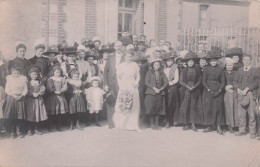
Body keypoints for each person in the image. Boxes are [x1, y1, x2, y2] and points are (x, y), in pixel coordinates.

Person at [113, 50, 141, 132]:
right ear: (124, 56)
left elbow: (138, 76)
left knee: (134, 105)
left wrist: (136, 83)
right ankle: (122, 124)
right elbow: (119, 77)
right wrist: (121, 86)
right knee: (123, 104)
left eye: (130, 56)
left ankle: (134, 125)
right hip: (124, 85)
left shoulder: (135, 65)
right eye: (127, 56)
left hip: (133, 85)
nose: (129, 58)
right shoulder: (120, 66)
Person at [233, 54, 259, 139]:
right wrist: (238, 89)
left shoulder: (255, 70)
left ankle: (252, 132)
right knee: (241, 113)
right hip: (240, 93)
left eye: (248, 60)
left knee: (251, 113)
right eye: (244, 60)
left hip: (250, 93)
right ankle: (242, 130)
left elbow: (256, 82)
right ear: (242, 61)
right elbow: (235, 81)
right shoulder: (239, 70)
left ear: (250, 60)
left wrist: (247, 89)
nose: (246, 61)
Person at [202, 51, 225, 135]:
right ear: (209, 61)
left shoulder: (220, 69)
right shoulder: (206, 69)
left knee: (218, 108)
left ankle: (219, 126)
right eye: (212, 61)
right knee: (208, 108)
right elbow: (203, 81)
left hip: (218, 90)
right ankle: (209, 125)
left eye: (215, 60)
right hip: (208, 90)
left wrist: (219, 90)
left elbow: (223, 81)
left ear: (217, 61)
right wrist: (208, 90)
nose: (213, 62)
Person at [179, 52, 203, 131]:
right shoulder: (184, 70)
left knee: (193, 107)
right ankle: (186, 124)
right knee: (185, 106)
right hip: (186, 90)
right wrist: (187, 86)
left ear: (194, 62)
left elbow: (200, 80)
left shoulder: (198, 70)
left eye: (192, 61)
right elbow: (180, 81)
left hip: (195, 90)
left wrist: (194, 87)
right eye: (189, 61)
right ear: (187, 62)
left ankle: (193, 124)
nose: (190, 63)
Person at [103, 41, 125, 129]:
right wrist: (106, 84)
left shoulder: (125, 57)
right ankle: (111, 123)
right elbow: (105, 71)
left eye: (120, 46)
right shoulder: (110, 57)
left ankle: (120, 122)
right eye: (117, 46)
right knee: (111, 101)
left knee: (122, 102)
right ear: (114, 47)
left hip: (122, 82)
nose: (118, 48)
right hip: (111, 81)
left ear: (122, 47)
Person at [4, 67, 28, 138]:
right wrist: (13, 95)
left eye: (18, 73)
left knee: (19, 115)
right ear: (12, 73)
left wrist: (22, 95)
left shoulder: (23, 79)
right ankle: (12, 131)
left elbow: (25, 89)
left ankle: (18, 130)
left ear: (20, 73)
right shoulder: (9, 79)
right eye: (14, 73)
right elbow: (7, 90)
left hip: (20, 98)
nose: (16, 74)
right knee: (12, 114)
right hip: (12, 98)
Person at [145, 58, 168, 130]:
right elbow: (146, 82)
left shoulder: (162, 73)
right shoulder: (149, 72)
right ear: (153, 66)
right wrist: (154, 88)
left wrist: (161, 89)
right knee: (151, 108)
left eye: (158, 65)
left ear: (160, 66)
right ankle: (152, 124)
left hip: (160, 93)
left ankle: (156, 124)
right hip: (151, 92)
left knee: (158, 108)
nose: (157, 66)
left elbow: (166, 82)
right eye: (155, 65)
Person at [25, 65, 48, 135]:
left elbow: (43, 89)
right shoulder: (28, 83)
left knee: (38, 114)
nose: (34, 76)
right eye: (33, 74)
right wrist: (32, 93)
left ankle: (36, 128)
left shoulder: (40, 82)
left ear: (38, 75)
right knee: (30, 114)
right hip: (30, 101)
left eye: (36, 74)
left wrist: (38, 93)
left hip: (38, 100)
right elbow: (26, 90)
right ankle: (29, 129)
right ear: (30, 74)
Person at [45, 65, 69, 131]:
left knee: (59, 113)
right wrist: (54, 91)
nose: (57, 73)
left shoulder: (62, 79)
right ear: (53, 72)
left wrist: (61, 91)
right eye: (56, 72)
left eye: (59, 72)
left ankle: (59, 126)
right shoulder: (50, 79)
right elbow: (49, 87)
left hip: (60, 96)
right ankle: (50, 126)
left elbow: (65, 86)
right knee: (51, 113)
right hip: (52, 97)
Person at [162, 52, 179, 128]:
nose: (170, 62)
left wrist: (169, 83)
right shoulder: (163, 68)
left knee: (171, 104)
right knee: (165, 104)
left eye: (171, 60)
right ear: (166, 61)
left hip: (172, 87)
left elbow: (176, 79)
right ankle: (166, 120)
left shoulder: (175, 68)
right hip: (164, 87)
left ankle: (172, 120)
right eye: (168, 61)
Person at [223, 58, 239, 133]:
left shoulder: (236, 73)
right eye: (228, 65)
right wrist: (225, 87)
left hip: (234, 92)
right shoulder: (223, 73)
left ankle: (235, 125)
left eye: (231, 65)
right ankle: (229, 125)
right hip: (226, 92)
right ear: (225, 66)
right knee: (228, 108)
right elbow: (221, 82)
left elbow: (238, 82)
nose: (229, 66)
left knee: (235, 108)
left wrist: (232, 86)